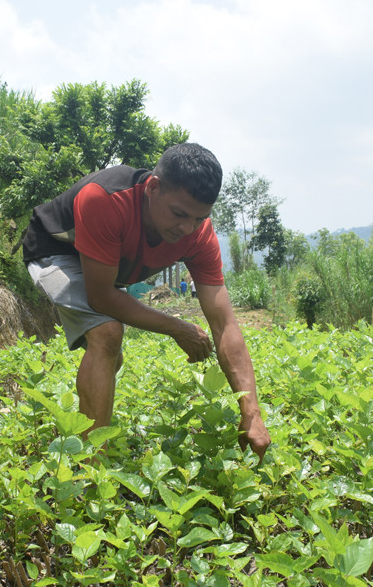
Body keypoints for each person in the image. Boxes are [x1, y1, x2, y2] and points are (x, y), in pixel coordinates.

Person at [21, 143, 271, 462]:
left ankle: (84, 429)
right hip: (51, 254)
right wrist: (178, 328)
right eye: (179, 214)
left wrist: (251, 412)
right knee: (107, 333)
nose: (186, 229)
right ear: (152, 187)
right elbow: (102, 296)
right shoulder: (105, 199)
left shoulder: (199, 235)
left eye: (198, 218)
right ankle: (90, 468)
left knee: (110, 353)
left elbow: (225, 324)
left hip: (103, 268)